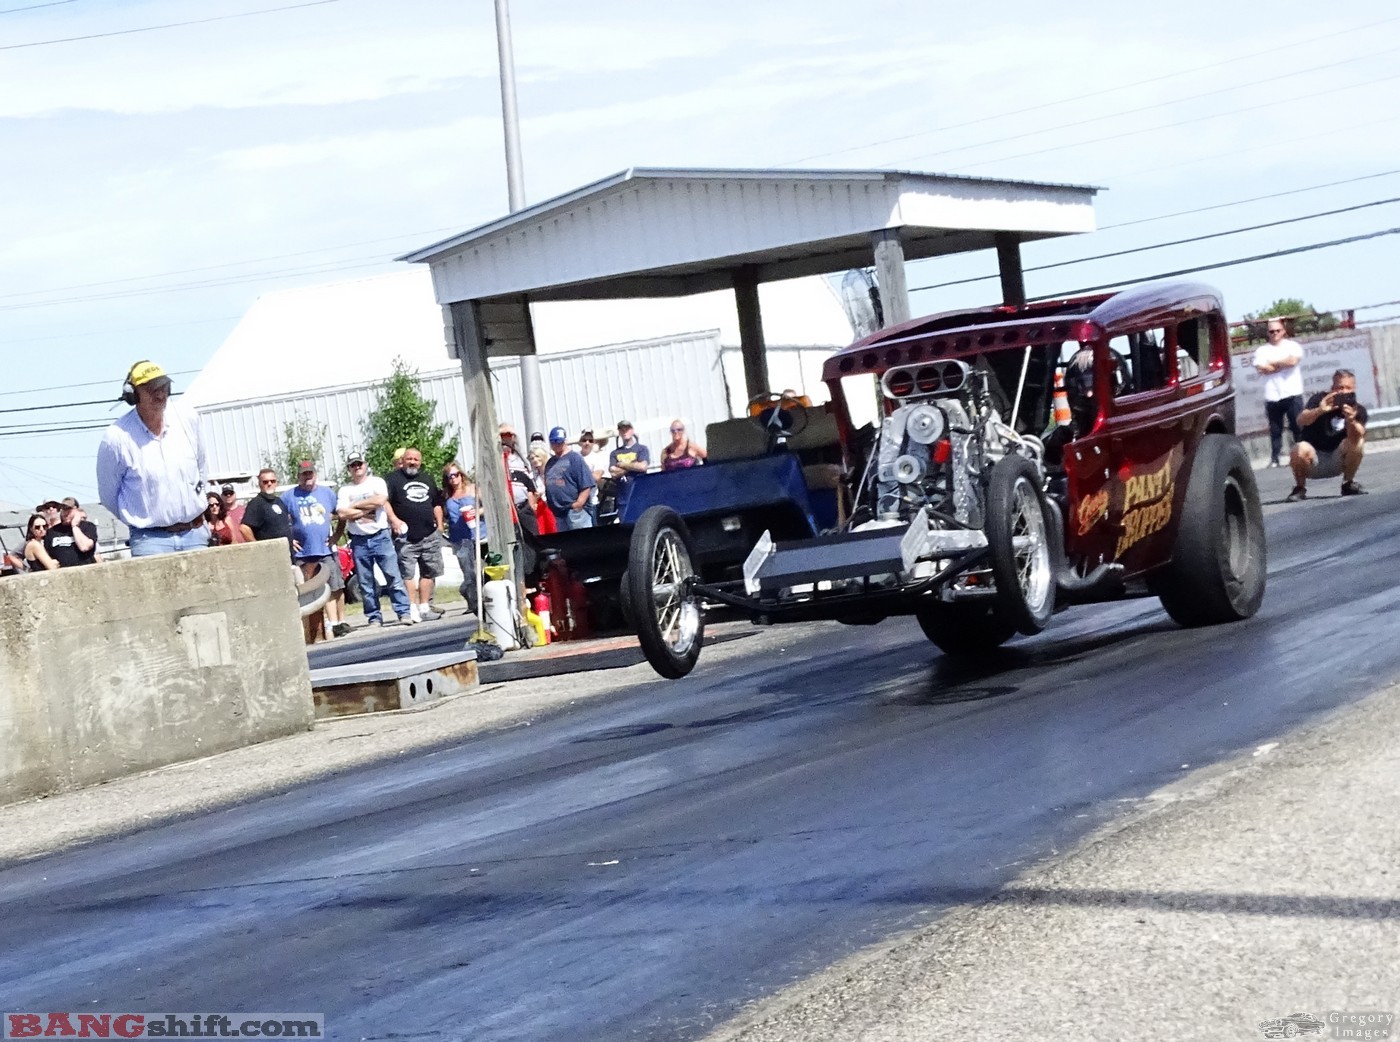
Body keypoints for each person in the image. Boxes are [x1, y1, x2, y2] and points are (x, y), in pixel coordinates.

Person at [96, 360, 209, 557]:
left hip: (195, 534)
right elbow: (108, 496)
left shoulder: (188, 418)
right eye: (151, 389)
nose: (160, 393)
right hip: (149, 541)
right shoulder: (116, 438)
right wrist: (142, 519)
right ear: (133, 395)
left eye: (164, 386)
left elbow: (202, 469)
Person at [335, 451, 414, 626]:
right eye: (353, 465)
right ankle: (374, 616)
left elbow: (380, 500)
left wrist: (354, 507)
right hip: (359, 540)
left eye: (359, 464)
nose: (357, 467)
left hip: (380, 536)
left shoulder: (376, 482)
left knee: (393, 576)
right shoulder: (345, 490)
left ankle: (403, 612)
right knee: (365, 582)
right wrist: (364, 509)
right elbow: (341, 512)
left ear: (365, 465)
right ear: (349, 469)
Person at [283, 460, 350, 640]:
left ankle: (338, 623)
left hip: (325, 549)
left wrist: (337, 534)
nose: (307, 477)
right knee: (307, 590)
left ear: (315, 475)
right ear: (299, 476)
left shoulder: (327, 493)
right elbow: (280, 520)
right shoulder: (288, 496)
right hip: (303, 553)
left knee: (336, 586)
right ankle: (315, 628)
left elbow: (341, 514)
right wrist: (290, 540)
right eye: (304, 474)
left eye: (310, 473)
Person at [1287, 368, 1369, 501]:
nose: (1342, 391)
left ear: (1354, 389)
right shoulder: (1319, 399)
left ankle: (1348, 483)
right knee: (1298, 448)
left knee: (1358, 443)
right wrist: (1320, 410)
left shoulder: (1357, 409)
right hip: (1313, 459)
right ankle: (1300, 488)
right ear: (1332, 387)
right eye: (1339, 387)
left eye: (1347, 388)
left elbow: (1360, 434)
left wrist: (1351, 420)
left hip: (1338, 459)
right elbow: (1300, 420)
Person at [385, 447, 445, 623]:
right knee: (407, 574)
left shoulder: (427, 478)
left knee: (429, 571)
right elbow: (385, 503)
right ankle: (411, 608)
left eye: (415, 459)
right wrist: (394, 521)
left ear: (420, 461)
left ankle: (425, 607)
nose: (412, 462)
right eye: (409, 459)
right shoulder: (392, 479)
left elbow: (436, 503)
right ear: (402, 460)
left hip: (429, 534)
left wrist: (440, 525)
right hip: (405, 537)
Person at [1253, 319, 1305, 468]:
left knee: (1297, 427)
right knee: (1275, 429)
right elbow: (1262, 368)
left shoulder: (1292, 346)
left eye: (1277, 330)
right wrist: (1283, 363)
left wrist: (1273, 363)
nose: (1275, 333)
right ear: (1267, 333)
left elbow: (1293, 361)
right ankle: (1275, 458)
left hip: (1292, 393)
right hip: (1272, 395)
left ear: (1283, 331)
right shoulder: (1262, 351)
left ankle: (1301, 455)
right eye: (1271, 331)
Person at [441, 461, 485, 617]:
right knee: (468, 573)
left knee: (482, 571)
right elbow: (445, 515)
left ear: (461, 474)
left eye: (456, 475)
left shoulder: (473, 489)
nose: (453, 479)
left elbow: (488, 506)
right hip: (459, 538)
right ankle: (474, 604)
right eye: (449, 476)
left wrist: (477, 512)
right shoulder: (446, 495)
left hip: (479, 535)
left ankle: (483, 601)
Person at [543, 426, 597, 530]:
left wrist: (578, 504)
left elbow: (587, 484)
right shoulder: (550, 462)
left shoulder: (575, 458)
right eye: (553, 442)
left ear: (565, 441)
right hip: (558, 514)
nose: (556, 444)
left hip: (575, 513)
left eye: (559, 441)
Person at [238, 468, 294, 548]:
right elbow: (244, 528)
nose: (269, 484)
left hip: (286, 552)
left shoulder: (279, 501)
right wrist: (258, 547)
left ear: (276, 483)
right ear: (259, 483)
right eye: (265, 482)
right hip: (270, 554)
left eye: (273, 481)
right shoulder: (256, 503)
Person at [44, 497, 101, 566]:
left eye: (68, 509)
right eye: (63, 509)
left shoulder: (87, 526)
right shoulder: (52, 532)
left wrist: (74, 526)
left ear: (76, 510)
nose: (65, 512)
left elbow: (84, 547)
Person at [608, 420, 650, 497]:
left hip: (640, 493)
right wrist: (633, 466)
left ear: (632, 431)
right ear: (619, 432)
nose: (624, 432)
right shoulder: (614, 453)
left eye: (627, 429)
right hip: (623, 496)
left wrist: (622, 464)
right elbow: (613, 472)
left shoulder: (642, 449)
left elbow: (643, 467)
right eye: (622, 430)